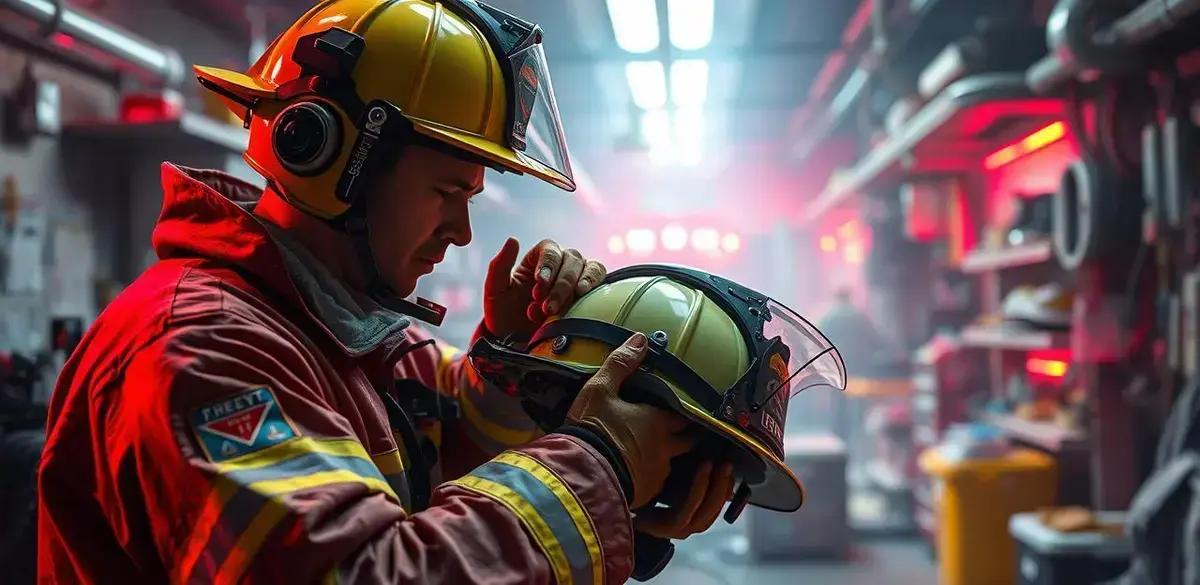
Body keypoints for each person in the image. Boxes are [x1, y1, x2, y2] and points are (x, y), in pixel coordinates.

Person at [37, 1, 731, 582]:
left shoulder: (348, 332)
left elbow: (453, 439)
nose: (461, 232)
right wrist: (598, 462)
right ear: (333, 153)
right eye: (446, 192)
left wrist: (519, 357)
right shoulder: (202, 349)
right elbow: (362, 571)